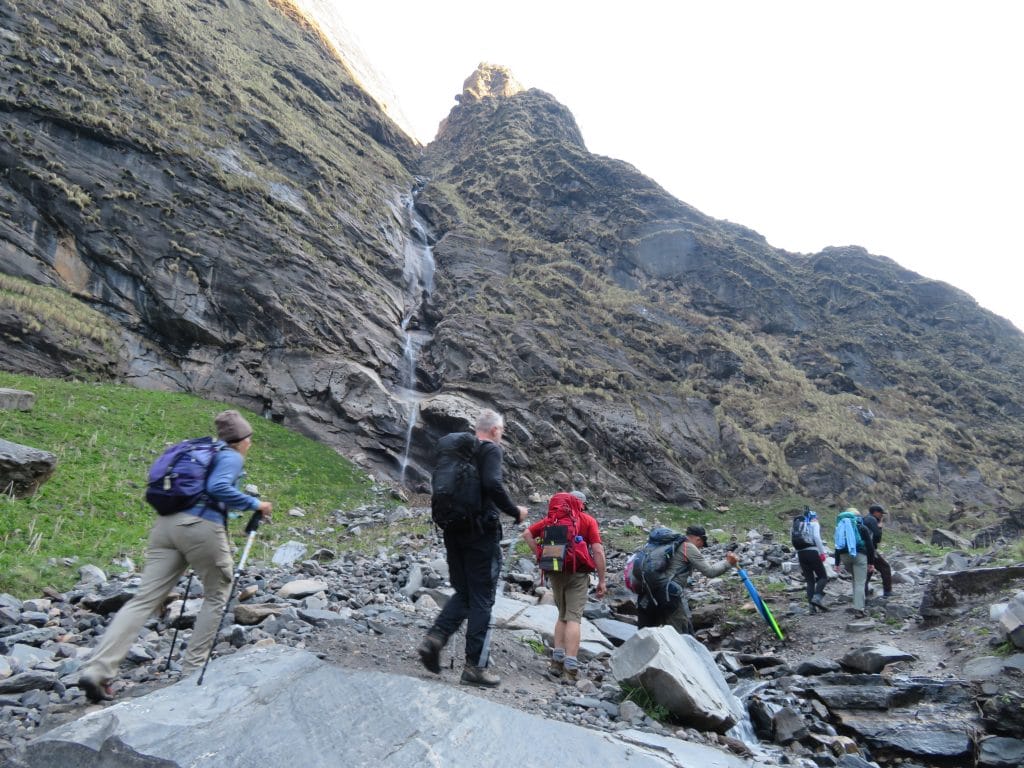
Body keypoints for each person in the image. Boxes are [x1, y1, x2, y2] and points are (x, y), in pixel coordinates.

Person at [78, 410, 273, 702]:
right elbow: (217, 488)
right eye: (249, 438)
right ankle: (193, 670)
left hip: (166, 527)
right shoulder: (232, 456)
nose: (250, 444)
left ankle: (98, 669)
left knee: (144, 598)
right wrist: (256, 503)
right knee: (218, 593)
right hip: (199, 527)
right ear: (242, 439)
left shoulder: (204, 451)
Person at [417, 409, 528, 688]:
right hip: (480, 534)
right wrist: (515, 511)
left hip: (453, 530)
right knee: (481, 597)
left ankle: (436, 637)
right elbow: (492, 484)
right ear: (493, 430)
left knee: (465, 592)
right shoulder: (490, 450)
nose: (501, 434)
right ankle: (475, 667)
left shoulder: (456, 453)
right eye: (501, 430)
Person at [522, 490, 607, 682]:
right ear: (582, 504)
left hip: (555, 570)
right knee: (574, 618)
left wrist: (539, 555)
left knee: (562, 616)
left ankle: (556, 662)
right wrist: (602, 580)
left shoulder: (552, 520)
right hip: (578, 574)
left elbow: (527, 534)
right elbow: (598, 551)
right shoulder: (587, 520)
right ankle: (570, 669)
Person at [636, 525, 739, 635]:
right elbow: (710, 572)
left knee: (648, 633)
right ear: (698, 539)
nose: (701, 548)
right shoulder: (688, 546)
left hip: (648, 592)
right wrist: (728, 563)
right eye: (702, 544)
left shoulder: (667, 545)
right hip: (669, 594)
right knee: (680, 634)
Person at [833, 507, 875, 617]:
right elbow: (870, 546)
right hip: (859, 556)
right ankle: (859, 609)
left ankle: (856, 604)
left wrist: (837, 563)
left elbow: (837, 546)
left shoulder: (840, 528)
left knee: (855, 579)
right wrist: (871, 562)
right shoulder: (862, 527)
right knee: (860, 582)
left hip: (844, 557)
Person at [793, 508, 830, 612]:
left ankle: (811, 608)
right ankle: (817, 598)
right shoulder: (814, 524)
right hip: (812, 552)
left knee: (810, 581)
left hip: (801, 554)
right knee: (823, 577)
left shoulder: (796, 527)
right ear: (813, 517)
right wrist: (822, 552)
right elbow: (817, 538)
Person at [862, 504, 893, 599]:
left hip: (862, 549)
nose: (882, 516)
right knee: (885, 567)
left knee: (868, 572)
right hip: (870, 549)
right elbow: (877, 537)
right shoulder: (872, 520)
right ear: (875, 512)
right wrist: (880, 526)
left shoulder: (864, 519)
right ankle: (887, 592)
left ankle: (863, 595)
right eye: (881, 513)